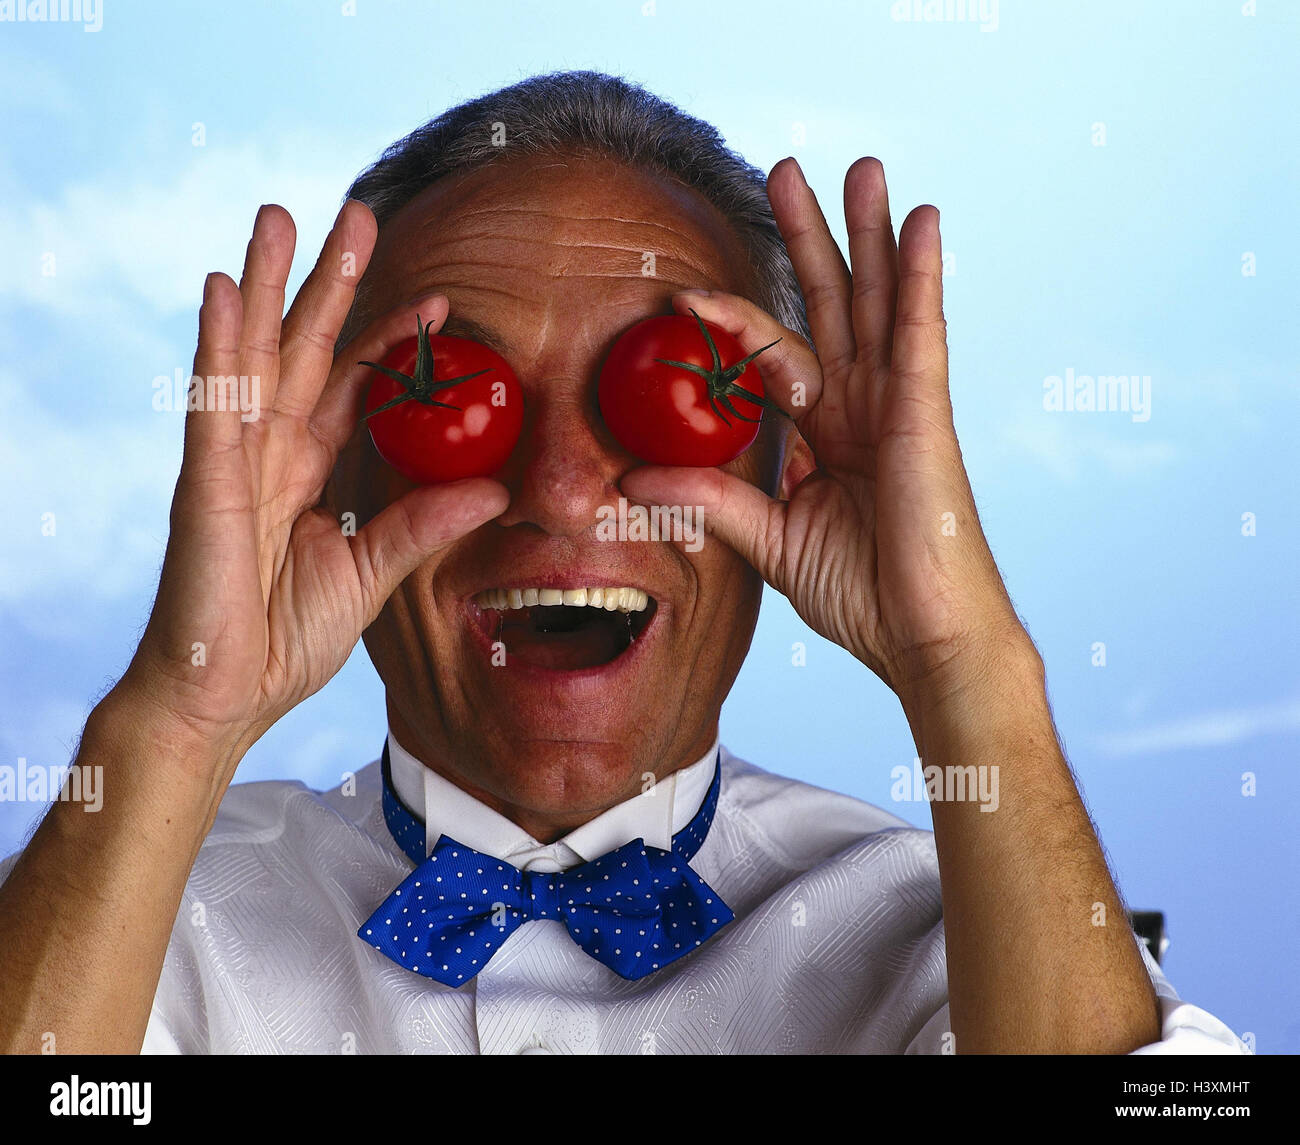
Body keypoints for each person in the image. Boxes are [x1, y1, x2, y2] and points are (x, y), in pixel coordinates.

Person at [0, 71, 1246, 1054]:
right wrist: (177, 717)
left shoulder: (959, 926)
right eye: (461, 403)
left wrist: (967, 667)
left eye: (656, 401)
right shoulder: (133, 911)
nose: (554, 493)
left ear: (789, 478)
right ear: (326, 488)